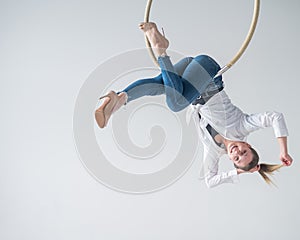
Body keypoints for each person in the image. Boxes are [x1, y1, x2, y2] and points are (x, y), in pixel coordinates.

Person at [95, 22, 293, 188]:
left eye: (237, 158)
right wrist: (283, 150)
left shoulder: (214, 151)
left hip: (189, 85)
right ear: (247, 144)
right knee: (176, 103)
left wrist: (240, 172)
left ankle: (119, 99)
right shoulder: (242, 126)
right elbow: (275, 117)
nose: (237, 152)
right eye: (244, 151)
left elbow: (210, 181)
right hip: (207, 72)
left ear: (232, 161)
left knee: (158, 85)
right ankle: (160, 48)